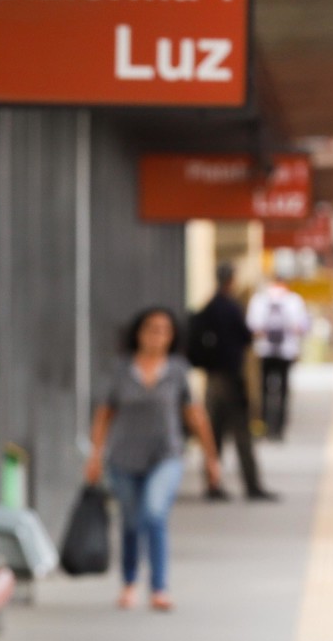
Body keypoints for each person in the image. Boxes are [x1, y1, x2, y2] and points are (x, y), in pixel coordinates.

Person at [84, 306, 225, 612]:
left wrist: (211, 458)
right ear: (138, 333)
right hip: (124, 457)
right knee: (131, 521)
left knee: (154, 512)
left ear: (172, 337)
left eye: (164, 330)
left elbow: (195, 415)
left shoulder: (177, 370)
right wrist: (95, 455)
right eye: (151, 329)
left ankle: (159, 587)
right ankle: (129, 582)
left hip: (166, 454)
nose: (157, 336)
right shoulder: (122, 370)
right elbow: (104, 414)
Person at [187, 262, 277, 502]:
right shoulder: (230, 307)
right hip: (230, 379)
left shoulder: (210, 306)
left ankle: (213, 484)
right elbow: (244, 336)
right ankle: (251, 484)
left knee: (213, 434)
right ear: (231, 280)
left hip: (213, 378)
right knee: (241, 433)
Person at [247, 276, 312, 439]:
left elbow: (303, 325)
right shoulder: (263, 300)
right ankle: (269, 426)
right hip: (267, 351)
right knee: (270, 391)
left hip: (282, 351)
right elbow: (252, 326)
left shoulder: (291, 301)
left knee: (276, 391)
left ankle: (275, 427)